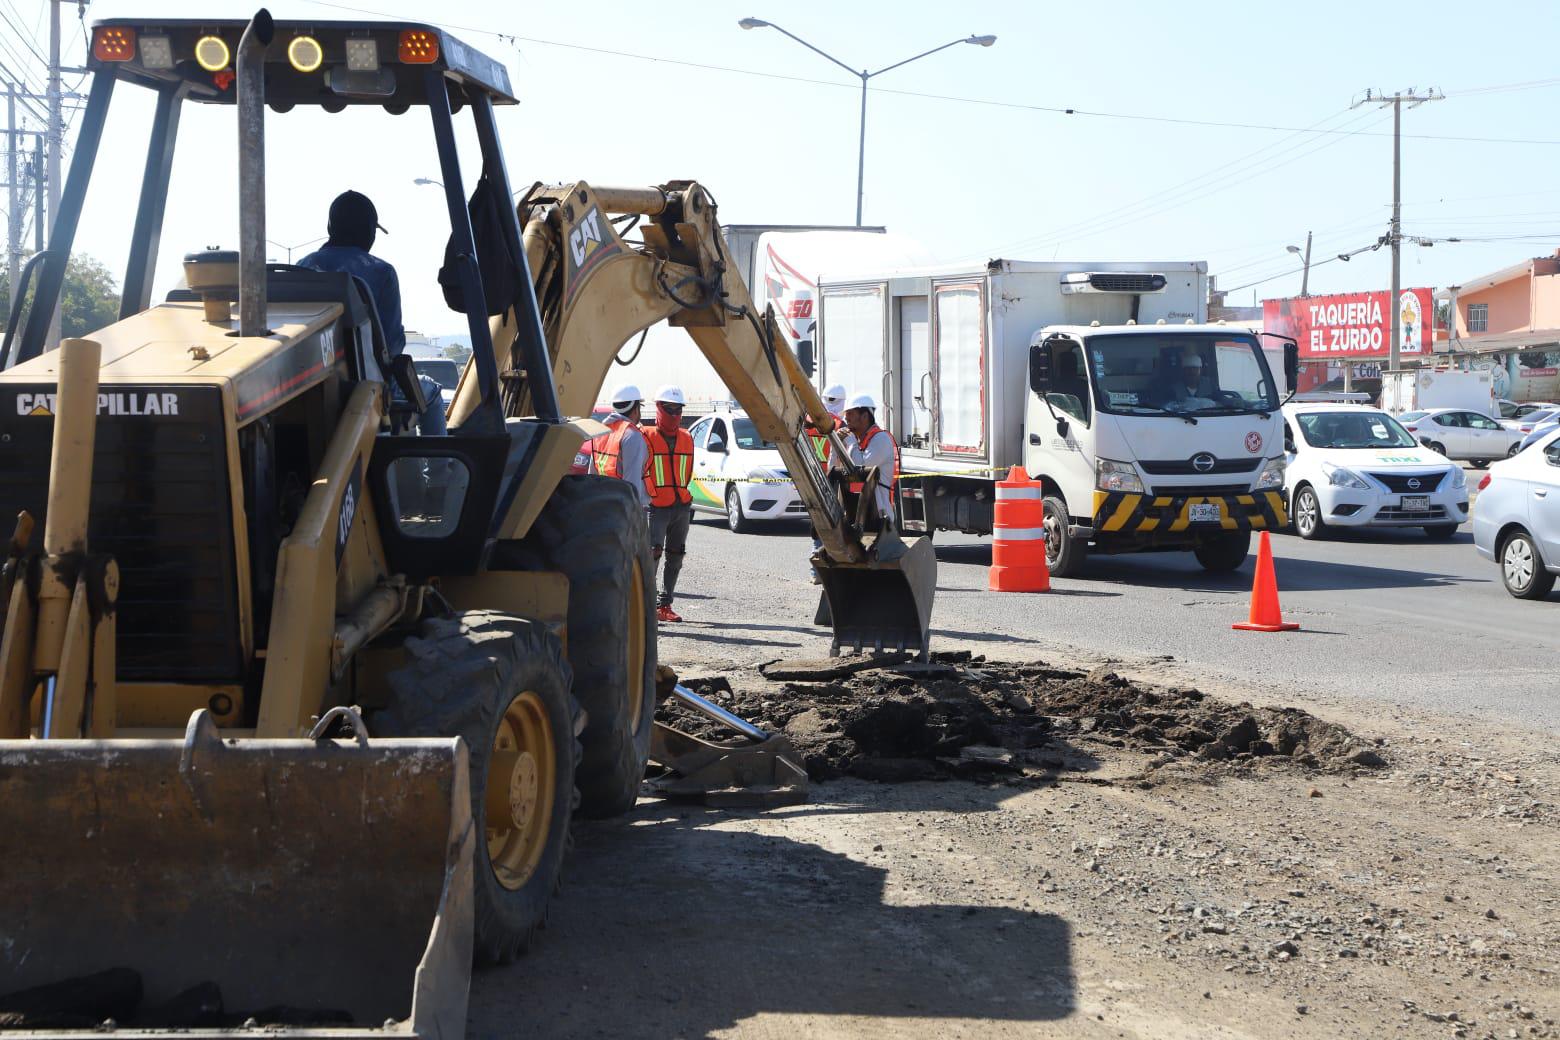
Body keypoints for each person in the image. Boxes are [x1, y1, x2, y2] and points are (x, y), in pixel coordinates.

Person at [299, 190, 445, 434]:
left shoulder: (302, 267)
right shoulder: (382, 272)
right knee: (432, 392)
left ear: (330, 226)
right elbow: (392, 344)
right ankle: (444, 471)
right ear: (368, 231)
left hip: (313, 386)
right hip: (370, 388)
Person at [643, 385, 694, 623]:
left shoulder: (687, 438)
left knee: (676, 555)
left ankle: (665, 605)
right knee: (652, 554)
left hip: (681, 506)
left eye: (678, 409)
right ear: (659, 408)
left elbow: (688, 472)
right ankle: (647, 605)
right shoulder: (646, 436)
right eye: (669, 408)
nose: (674, 413)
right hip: (656, 507)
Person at [844, 392, 899, 525]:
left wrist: (850, 441)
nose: (846, 418)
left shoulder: (881, 439)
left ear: (864, 416)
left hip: (879, 516)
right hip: (860, 513)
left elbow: (860, 467)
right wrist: (837, 444)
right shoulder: (859, 441)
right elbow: (836, 466)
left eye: (850, 413)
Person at [592, 384, 649, 510]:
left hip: (601, 504)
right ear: (635, 408)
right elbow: (631, 484)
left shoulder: (600, 431)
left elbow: (592, 474)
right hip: (623, 510)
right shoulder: (632, 436)